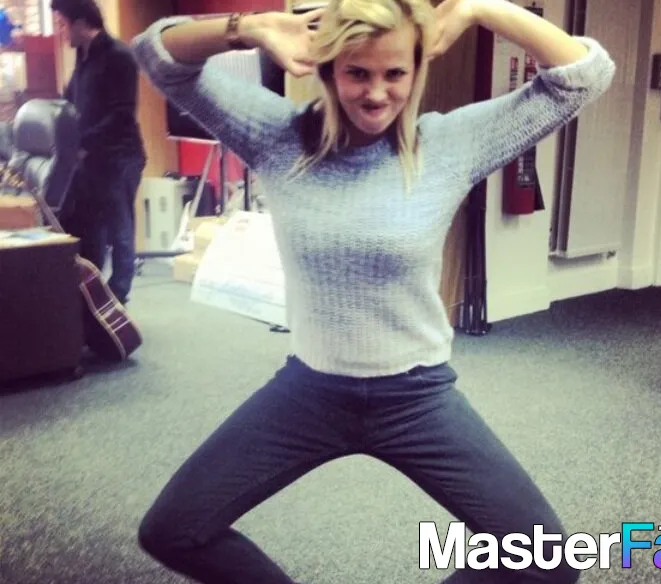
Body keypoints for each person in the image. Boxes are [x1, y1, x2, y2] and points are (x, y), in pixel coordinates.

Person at [132, 0, 615, 582]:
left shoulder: (448, 145)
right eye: (358, 72)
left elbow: (584, 75)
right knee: (172, 529)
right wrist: (250, 28)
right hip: (310, 393)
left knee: (546, 559)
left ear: (417, 70)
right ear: (330, 69)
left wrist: (479, 8)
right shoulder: (278, 136)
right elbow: (157, 54)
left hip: (416, 397)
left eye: (395, 73)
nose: (377, 93)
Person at [52, 0, 146, 306]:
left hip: (120, 157)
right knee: (88, 227)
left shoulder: (119, 56)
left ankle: (117, 299)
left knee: (120, 231)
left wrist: (83, 142)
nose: (59, 31)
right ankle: (91, 298)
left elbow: (122, 114)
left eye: (62, 23)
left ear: (81, 22)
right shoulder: (83, 57)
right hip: (89, 159)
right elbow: (70, 104)